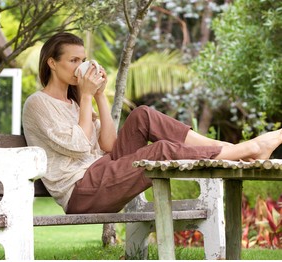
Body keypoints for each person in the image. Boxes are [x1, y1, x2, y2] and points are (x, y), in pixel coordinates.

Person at [22, 32, 282, 214]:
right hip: (81, 192)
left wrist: (99, 95)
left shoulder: (79, 103)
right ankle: (245, 150)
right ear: (52, 63)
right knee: (157, 152)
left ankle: (226, 147)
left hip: (101, 174)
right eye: (74, 60)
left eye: (83, 59)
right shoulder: (37, 104)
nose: (81, 66)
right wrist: (88, 95)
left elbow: (110, 146)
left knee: (142, 115)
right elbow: (78, 147)